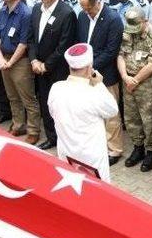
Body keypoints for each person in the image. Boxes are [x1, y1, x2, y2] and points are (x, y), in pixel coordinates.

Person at [48, 43, 118, 183]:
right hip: (92, 159)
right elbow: (113, 109)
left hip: (66, 155)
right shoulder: (93, 93)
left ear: (69, 66)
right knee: (98, 194)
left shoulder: (56, 88)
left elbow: (52, 113)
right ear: (89, 68)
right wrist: (99, 84)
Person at [28, 0, 77, 150]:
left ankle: (65, 138)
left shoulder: (67, 13)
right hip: (38, 66)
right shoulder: (36, 9)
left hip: (57, 69)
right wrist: (34, 60)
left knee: (59, 105)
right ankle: (51, 136)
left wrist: (46, 65)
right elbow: (31, 38)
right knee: (44, 102)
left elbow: (64, 45)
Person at [78, 0, 125, 166]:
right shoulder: (82, 16)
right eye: (83, 8)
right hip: (84, 72)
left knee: (110, 113)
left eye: (88, 8)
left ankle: (114, 149)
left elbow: (111, 51)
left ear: (98, 2)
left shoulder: (113, 19)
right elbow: (80, 42)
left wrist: (89, 67)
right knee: (90, 111)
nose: (86, 11)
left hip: (106, 74)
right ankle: (96, 144)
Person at [0, 0, 41, 144]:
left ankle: (34, 130)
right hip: (4, 59)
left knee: (28, 98)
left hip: (20, 61)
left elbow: (23, 43)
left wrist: (11, 62)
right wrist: (0, 58)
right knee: (12, 96)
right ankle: (18, 124)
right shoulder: (2, 11)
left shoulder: (25, 14)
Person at [117, 7, 152, 172]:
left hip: (146, 84)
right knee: (131, 117)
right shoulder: (127, 33)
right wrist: (125, 76)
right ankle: (138, 147)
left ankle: (151, 151)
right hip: (128, 81)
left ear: (145, 21)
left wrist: (135, 80)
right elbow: (121, 55)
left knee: (148, 118)